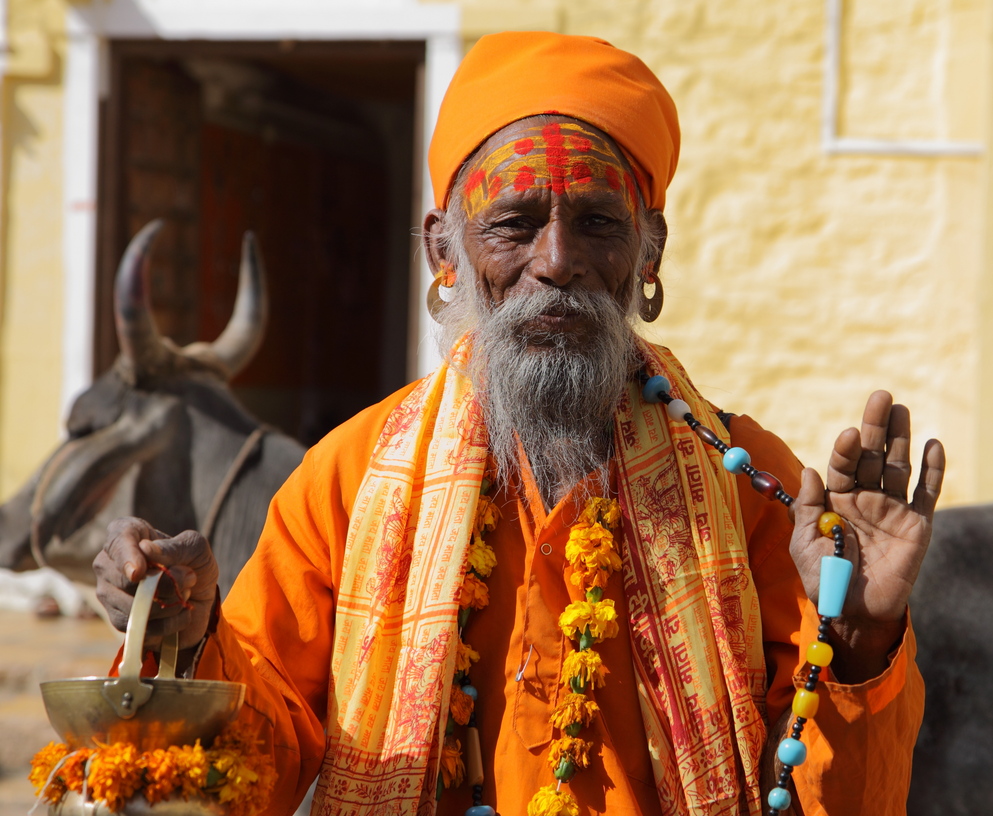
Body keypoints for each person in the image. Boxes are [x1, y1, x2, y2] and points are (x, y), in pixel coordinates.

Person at [94, 31, 945, 816]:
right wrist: (189, 641)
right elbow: (255, 758)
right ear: (443, 249)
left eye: (600, 224)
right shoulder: (349, 478)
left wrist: (861, 636)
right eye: (514, 221)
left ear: (648, 255)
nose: (557, 261)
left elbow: (825, 794)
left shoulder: (745, 478)